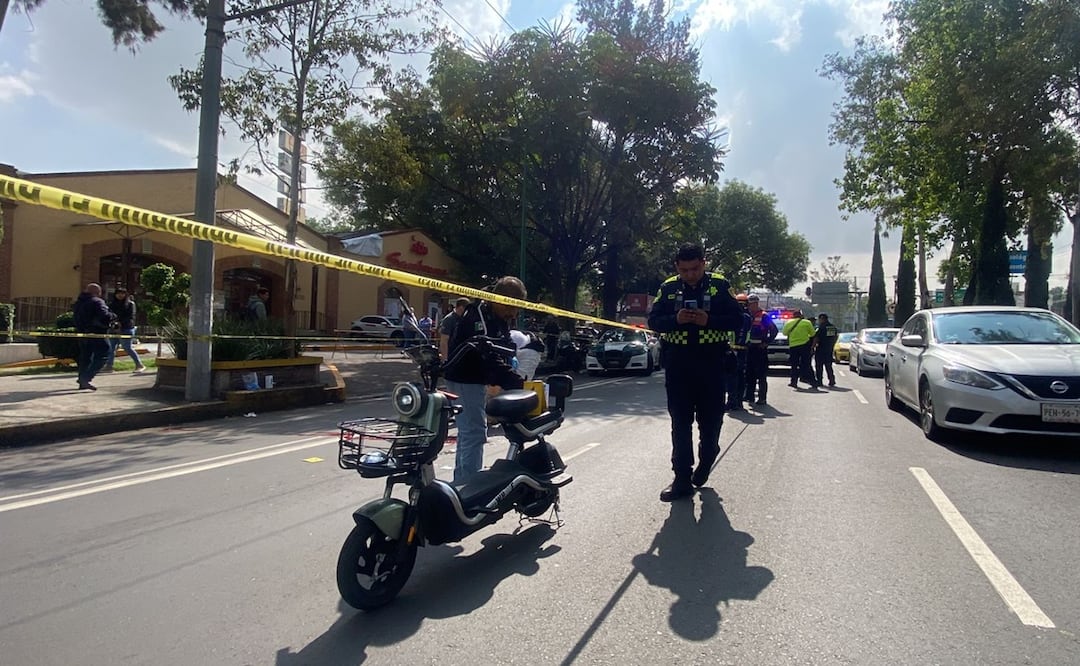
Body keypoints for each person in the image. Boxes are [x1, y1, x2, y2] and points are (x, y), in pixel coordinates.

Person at [647, 244, 743, 502]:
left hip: (711, 362)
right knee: (680, 422)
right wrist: (676, 319)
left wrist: (708, 320)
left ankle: (708, 457)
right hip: (679, 363)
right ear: (677, 266)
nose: (690, 274)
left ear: (704, 263)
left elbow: (737, 320)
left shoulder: (720, 285)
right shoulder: (668, 288)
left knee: (710, 422)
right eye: (684, 269)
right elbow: (653, 321)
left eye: (695, 269)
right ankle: (681, 478)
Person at [443, 276, 527, 485]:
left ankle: (460, 482)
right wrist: (516, 383)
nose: (514, 313)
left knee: (467, 432)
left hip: (467, 376)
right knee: (474, 433)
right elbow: (488, 357)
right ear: (499, 299)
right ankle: (469, 488)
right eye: (512, 307)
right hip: (465, 377)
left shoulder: (493, 315)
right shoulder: (479, 318)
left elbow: (501, 348)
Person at [72, 282, 115, 391]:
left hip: (82, 333)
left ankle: (82, 380)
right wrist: (113, 316)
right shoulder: (97, 302)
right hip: (97, 333)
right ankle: (86, 378)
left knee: (85, 357)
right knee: (104, 354)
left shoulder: (79, 303)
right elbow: (105, 315)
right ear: (98, 292)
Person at [743, 294, 777, 406]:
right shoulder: (747, 315)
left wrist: (766, 342)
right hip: (749, 348)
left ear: (756, 304)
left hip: (759, 349)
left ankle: (762, 398)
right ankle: (750, 396)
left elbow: (774, 330)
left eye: (753, 304)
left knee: (761, 375)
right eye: (749, 304)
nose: (750, 306)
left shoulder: (764, 316)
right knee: (749, 374)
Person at [104, 286, 146, 374]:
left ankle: (139, 365)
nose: (120, 295)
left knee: (127, 348)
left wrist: (121, 324)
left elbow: (131, 317)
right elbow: (109, 315)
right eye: (118, 293)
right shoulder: (112, 304)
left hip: (126, 328)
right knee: (111, 348)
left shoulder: (130, 304)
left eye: (122, 293)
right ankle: (109, 366)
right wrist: (113, 324)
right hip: (113, 329)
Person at [725, 294, 753, 412]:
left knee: (731, 377)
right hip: (742, 349)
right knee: (739, 376)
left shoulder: (734, 315)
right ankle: (738, 401)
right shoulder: (748, 316)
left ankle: (732, 402)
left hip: (732, 350)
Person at [782, 309, 818, 389]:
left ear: (793, 316)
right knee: (807, 364)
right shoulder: (807, 322)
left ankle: (793, 382)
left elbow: (784, 333)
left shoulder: (788, 323)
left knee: (794, 365)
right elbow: (812, 334)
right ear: (801, 315)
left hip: (793, 346)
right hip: (804, 346)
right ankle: (813, 382)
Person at [812, 313, 840, 387]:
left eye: (819, 319)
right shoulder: (832, 327)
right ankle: (831, 380)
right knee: (828, 366)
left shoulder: (820, 328)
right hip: (829, 349)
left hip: (820, 349)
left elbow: (816, 338)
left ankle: (819, 381)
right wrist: (832, 345)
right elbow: (834, 337)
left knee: (819, 366)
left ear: (822, 319)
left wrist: (812, 347)